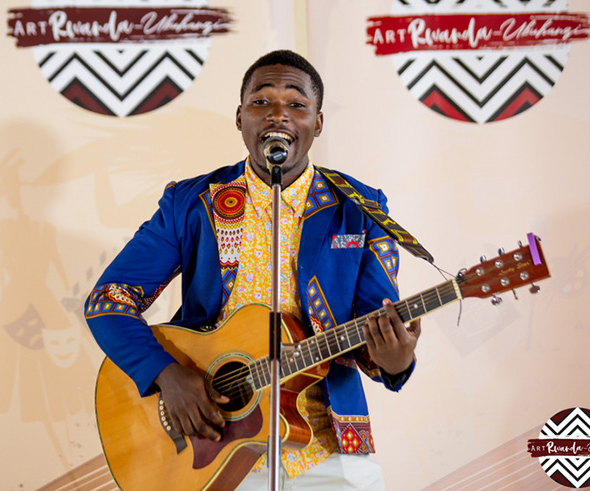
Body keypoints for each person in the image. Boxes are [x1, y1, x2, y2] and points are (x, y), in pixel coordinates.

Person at [85, 50, 421, 490]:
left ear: (317, 123)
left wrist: (393, 360)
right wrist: (166, 375)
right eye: (261, 102)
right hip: (211, 445)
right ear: (240, 117)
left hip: (329, 449)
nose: (278, 115)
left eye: (297, 104)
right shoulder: (191, 202)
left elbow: (374, 325)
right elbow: (108, 301)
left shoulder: (360, 208)